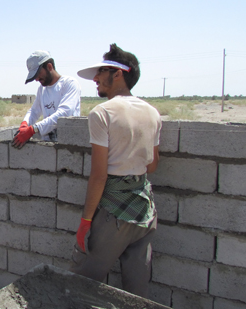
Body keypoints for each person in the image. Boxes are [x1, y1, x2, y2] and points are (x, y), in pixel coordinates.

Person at [70, 44, 161, 298]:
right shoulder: (152, 113)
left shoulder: (102, 113)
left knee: (82, 282)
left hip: (115, 214)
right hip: (145, 212)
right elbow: (152, 165)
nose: (96, 79)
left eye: (102, 72)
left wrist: (86, 222)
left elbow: (99, 175)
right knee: (136, 291)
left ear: (119, 74)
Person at [12, 50, 81, 148]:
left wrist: (33, 129)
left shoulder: (69, 84)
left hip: (69, 146)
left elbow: (65, 113)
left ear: (49, 67)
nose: (36, 79)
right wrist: (25, 123)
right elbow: (34, 111)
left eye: (38, 74)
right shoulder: (42, 89)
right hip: (50, 148)